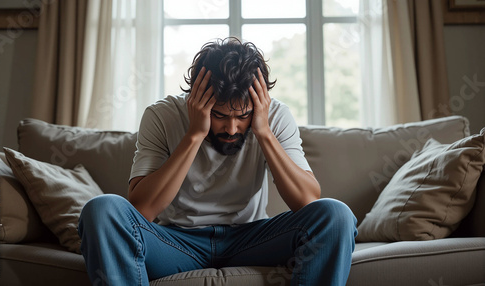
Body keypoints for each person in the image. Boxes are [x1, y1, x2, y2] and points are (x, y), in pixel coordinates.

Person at [78, 37, 357, 286]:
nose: (232, 129)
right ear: (197, 100)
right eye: (220, 116)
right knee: (101, 210)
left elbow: (309, 201)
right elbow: (142, 210)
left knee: (336, 215)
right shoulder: (161, 116)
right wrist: (195, 133)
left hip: (252, 239)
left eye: (243, 115)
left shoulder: (274, 118)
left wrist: (262, 131)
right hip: (176, 241)